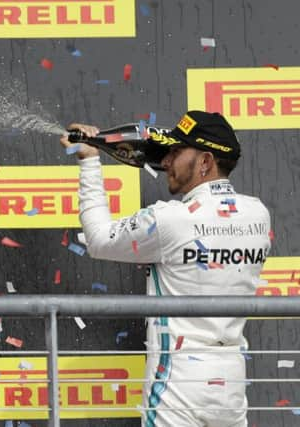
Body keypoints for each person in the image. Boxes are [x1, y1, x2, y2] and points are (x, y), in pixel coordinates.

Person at [60, 111, 271, 427]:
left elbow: (99, 240)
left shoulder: (171, 220)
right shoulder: (258, 214)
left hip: (179, 379)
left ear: (205, 161)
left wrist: (90, 160)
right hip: (231, 379)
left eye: (176, 152)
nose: (166, 162)